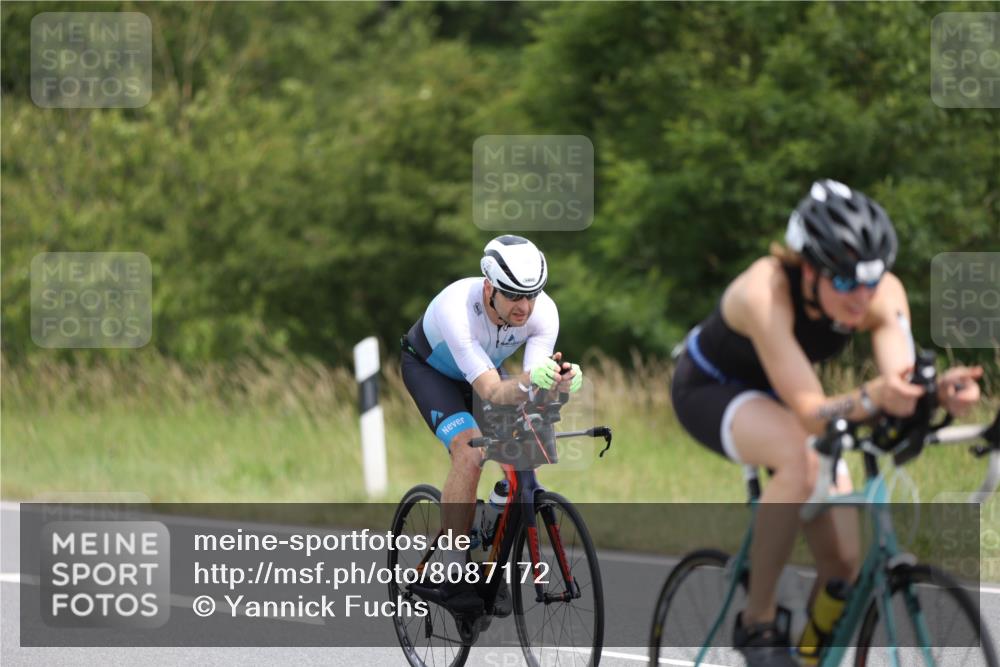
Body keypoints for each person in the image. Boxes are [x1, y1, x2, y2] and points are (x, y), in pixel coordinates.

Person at [670, 179, 983, 666]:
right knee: (799, 456)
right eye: (844, 281)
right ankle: (758, 623)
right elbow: (813, 414)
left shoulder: (879, 294)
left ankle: (812, 654)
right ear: (807, 268)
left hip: (790, 394)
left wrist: (935, 392)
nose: (860, 296)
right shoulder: (764, 290)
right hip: (712, 388)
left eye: (871, 280)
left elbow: (898, 384)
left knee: (845, 563)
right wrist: (870, 396)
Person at [400, 234, 583, 613]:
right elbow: (492, 391)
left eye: (531, 295)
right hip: (433, 371)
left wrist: (558, 384)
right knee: (469, 452)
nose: (525, 306)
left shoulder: (543, 312)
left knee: (522, 447)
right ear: (490, 288)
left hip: (487, 371)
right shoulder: (458, 309)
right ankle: (454, 572)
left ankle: (488, 542)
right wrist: (535, 381)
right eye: (514, 295)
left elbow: (533, 389)